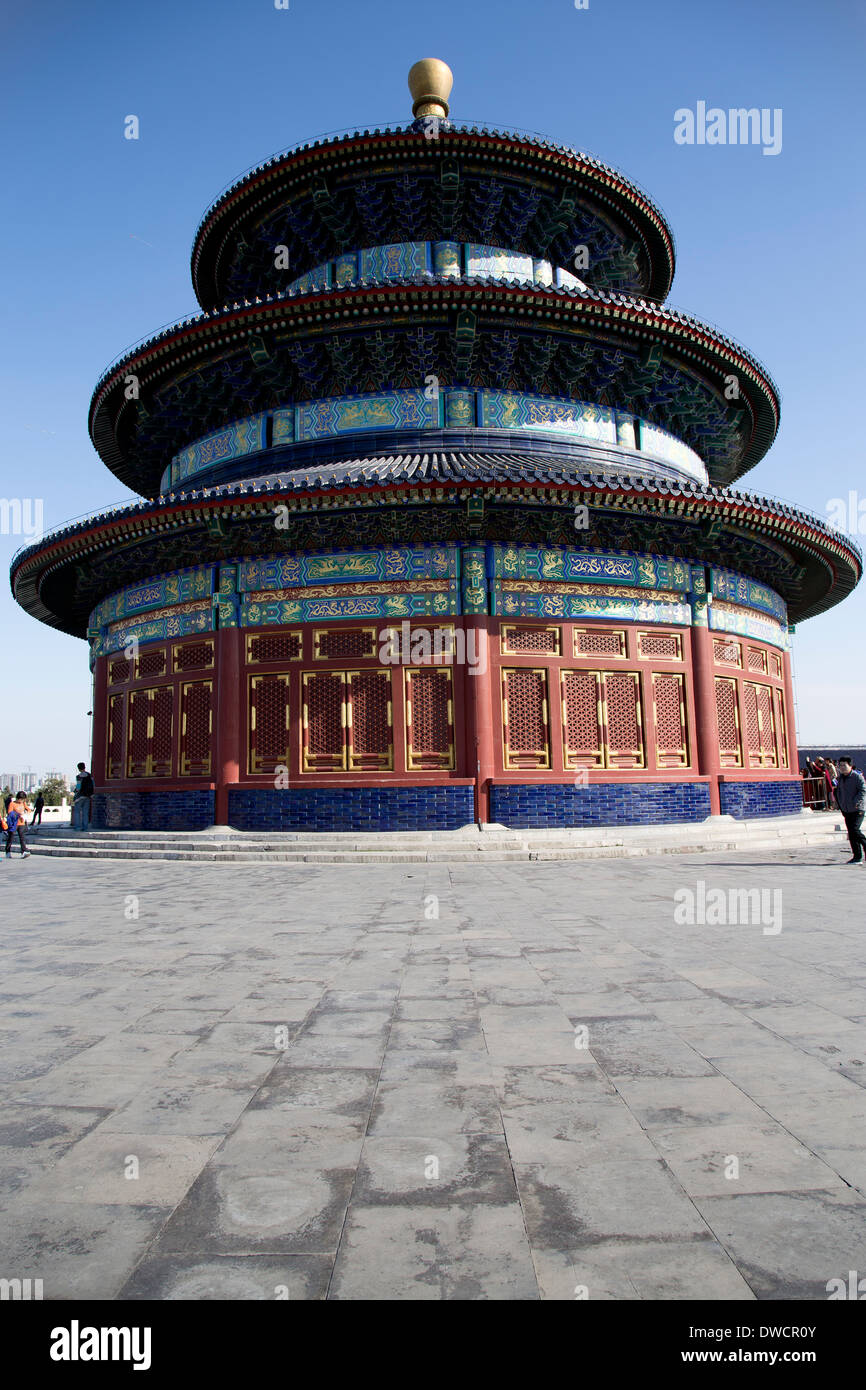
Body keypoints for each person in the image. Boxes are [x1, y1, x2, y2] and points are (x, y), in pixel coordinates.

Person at [834, 757, 866, 863]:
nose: (842, 768)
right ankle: (857, 857)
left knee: (855, 830)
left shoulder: (857, 777)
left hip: (858, 809)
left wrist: (856, 802)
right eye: (840, 765)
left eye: (844, 765)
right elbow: (838, 792)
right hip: (846, 810)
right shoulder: (840, 778)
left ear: (850, 766)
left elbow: (863, 791)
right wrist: (840, 805)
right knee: (851, 834)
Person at [4, 793, 31, 859]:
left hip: (22, 823)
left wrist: (26, 813)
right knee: (11, 838)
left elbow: (28, 809)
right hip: (14, 824)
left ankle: (23, 852)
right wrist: (18, 815)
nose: (22, 801)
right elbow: (10, 813)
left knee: (22, 838)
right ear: (18, 798)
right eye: (21, 799)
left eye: (23, 799)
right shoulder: (12, 804)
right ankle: (8, 851)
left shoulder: (23, 803)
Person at [71, 762, 94, 830]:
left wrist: (75, 794)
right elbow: (93, 784)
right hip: (88, 796)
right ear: (84, 767)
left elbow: (78, 787)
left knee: (77, 812)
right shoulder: (90, 775)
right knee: (85, 812)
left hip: (80, 796)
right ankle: (85, 827)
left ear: (78, 768)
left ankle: (77, 827)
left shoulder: (79, 777)